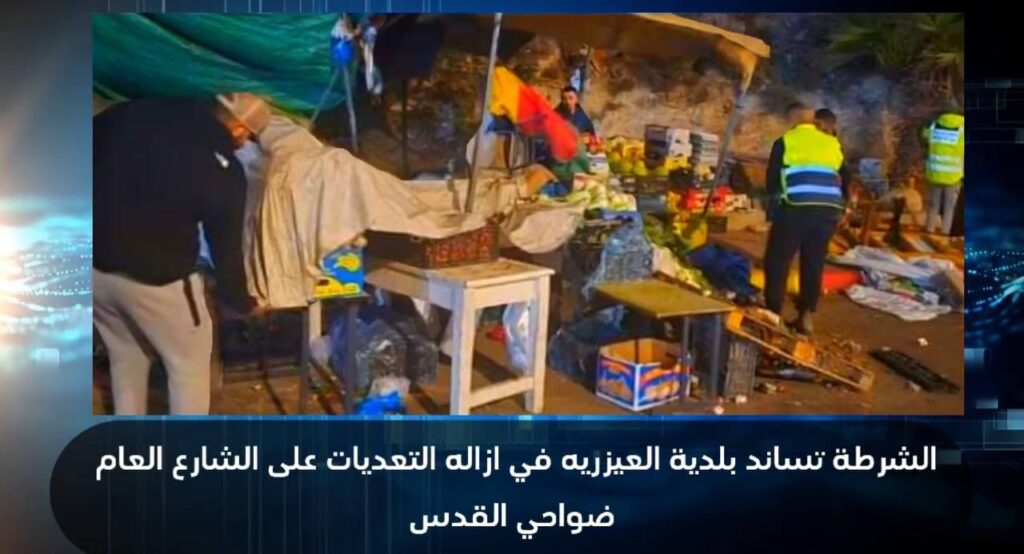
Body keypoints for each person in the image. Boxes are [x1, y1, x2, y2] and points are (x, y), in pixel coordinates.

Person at [93, 92, 271, 415]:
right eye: (249, 137)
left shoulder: (132, 112)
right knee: (189, 365)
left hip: (93, 268)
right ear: (239, 130)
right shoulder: (221, 166)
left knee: (126, 355)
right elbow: (225, 250)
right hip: (158, 281)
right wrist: (242, 302)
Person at [763, 103, 848, 335]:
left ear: (792, 120)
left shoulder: (786, 141)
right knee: (814, 261)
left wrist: (771, 212)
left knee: (778, 260)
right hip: (828, 210)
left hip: (796, 207)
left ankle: (774, 314)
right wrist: (843, 207)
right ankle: (806, 315)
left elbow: (772, 181)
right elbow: (844, 175)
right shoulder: (832, 142)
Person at [921, 109, 965, 235]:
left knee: (933, 204)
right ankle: (945, 231)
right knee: (949, 206)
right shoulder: (963, 128)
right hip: (953, 175)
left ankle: (929, 229)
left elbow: (924, 135)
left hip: (935, 172)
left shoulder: (935, 125)